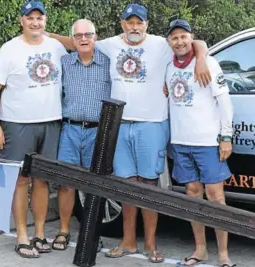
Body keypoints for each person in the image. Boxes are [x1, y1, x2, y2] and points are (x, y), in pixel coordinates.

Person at [48, 3, 211, 263]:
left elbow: (196, 43)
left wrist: (201, 59)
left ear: (146, 24)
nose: (134, 27)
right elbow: (79, 41)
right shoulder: (110, 44)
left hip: (151, 124)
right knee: (125, 186)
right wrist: (45, 36)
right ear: (122, 24)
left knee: (149, 185)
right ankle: (128, 242)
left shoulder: (161, 44)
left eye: (139, 22)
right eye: (129, 22)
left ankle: (150, 245)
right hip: (120, 125)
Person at [0, 1, 67, 258]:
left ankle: (40, 233)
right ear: (21, 20)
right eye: (29, 18)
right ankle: (22, 234)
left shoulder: (56, 47)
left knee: (42, 180)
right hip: (17, 123)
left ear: (45, 21)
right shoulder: (9, 49)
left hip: (51, 121)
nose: (35, 22)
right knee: (20, 180)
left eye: (39, 18)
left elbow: (82, 42)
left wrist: (199, 48)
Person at [165, 19, 236, 267]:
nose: (179, 41)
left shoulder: (208, 63)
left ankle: (224, 254)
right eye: (174, 37)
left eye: (184, 36)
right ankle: (200, 249)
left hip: (207, 142)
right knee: (192, 195)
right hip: (181, 142)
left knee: (216, 198)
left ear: (191, 37)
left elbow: (225, 102)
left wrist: (226, 136)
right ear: (169, 42)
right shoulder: (169, 67)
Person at [51, 19, 111, 251]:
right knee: (66, 183)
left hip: (98, 131)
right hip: (70, 129)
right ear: (73, 40)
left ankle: (93, 234)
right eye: (78, 36)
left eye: (88, 35)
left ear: (96, 37)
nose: (84, 39)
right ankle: (64, 231)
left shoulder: (108, 63)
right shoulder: (64, 63)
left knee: (94, 185)